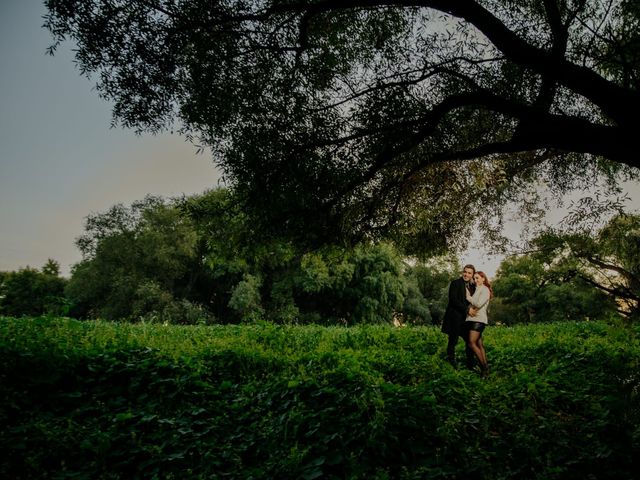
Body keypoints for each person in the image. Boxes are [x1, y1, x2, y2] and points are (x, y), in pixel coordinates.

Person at [441, 264, 476, 368]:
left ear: (472, 275)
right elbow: (453, 300)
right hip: (455, 318)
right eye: (465, 272)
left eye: (469, 273)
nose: (466, 274)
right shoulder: (455, 283)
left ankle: (470, 364)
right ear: (462, 272)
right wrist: (467, 309)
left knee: (469, 341)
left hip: (466, 319)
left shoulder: (473, 286)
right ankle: (451, 363)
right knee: (453, 340)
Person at [465, 271, 492, 378]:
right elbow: (474, 303)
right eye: (474, 279)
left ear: (483, 279)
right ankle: (486, 368)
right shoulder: (478, 289)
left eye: (478, 278)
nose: (476, 280)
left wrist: (468, 296)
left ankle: (484, 369)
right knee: (479, 345)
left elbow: (478, 304)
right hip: (473, 319)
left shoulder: (485, 289)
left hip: (479, 320)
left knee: (471, 343)